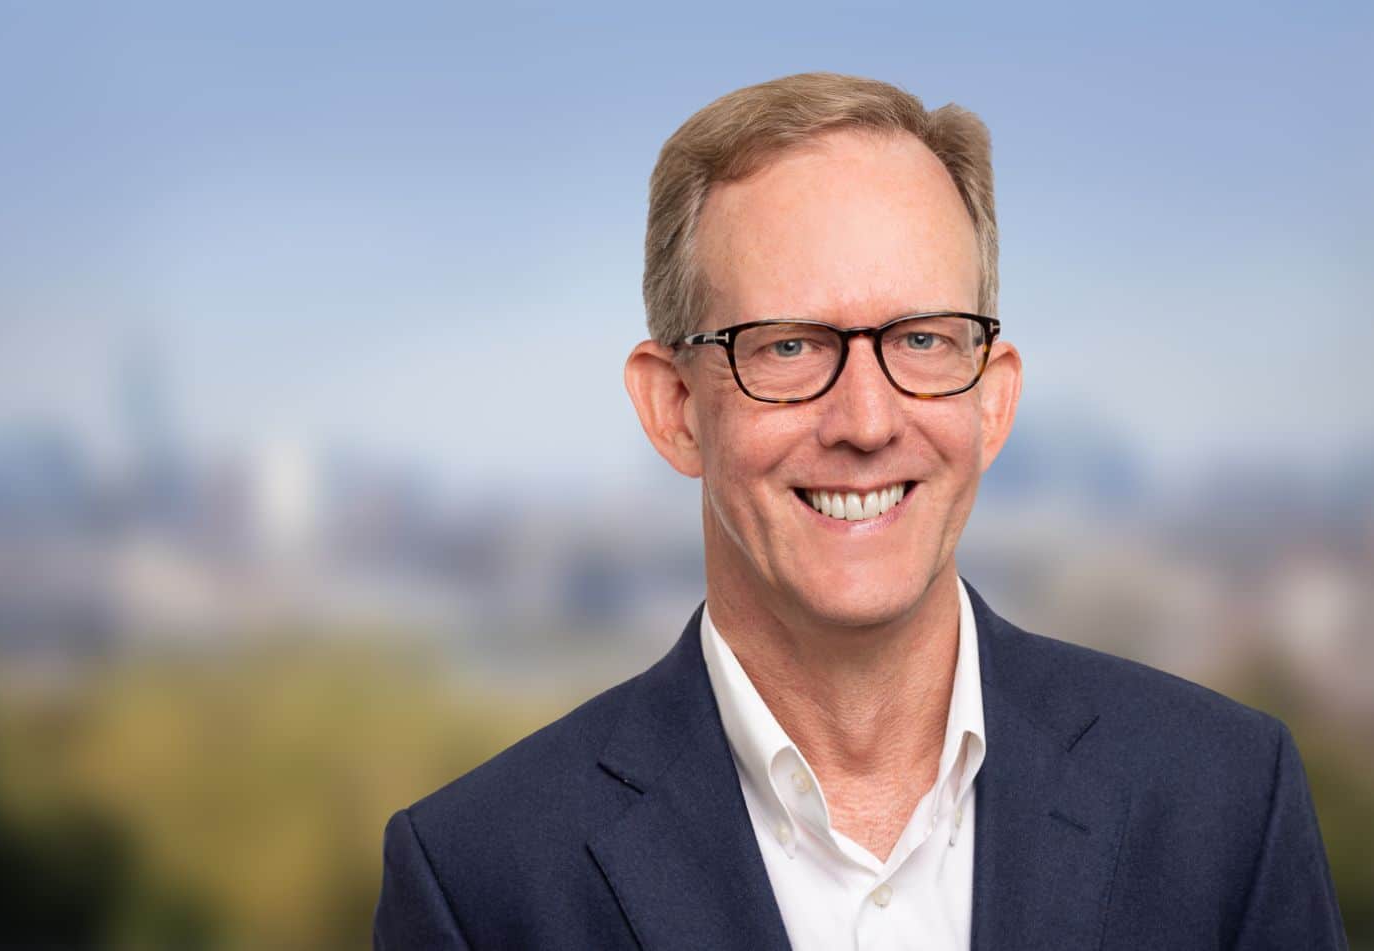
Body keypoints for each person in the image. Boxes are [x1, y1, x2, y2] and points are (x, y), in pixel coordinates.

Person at [373, 72, 1346, 950]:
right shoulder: (480, 881)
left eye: (922, 339)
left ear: (991, 399)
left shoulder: (1224, 799)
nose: (866, 422)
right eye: (788, 346)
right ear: (673, 408)